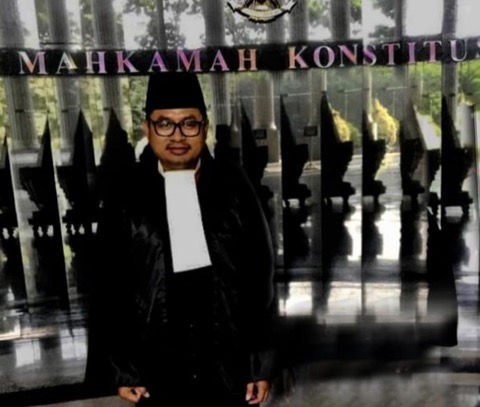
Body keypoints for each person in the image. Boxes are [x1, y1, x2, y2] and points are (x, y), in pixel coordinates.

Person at [93, 72, 277, 407]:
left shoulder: (233, 185)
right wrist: (124, 369)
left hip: (227, 364)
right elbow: (109, 286)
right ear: (147, 128)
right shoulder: (126, 193)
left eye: (189, 123)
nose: (177, 135)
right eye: (165, 124)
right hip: (156, 370)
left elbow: (259, 278)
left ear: (204, 128)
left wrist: (259, 364)